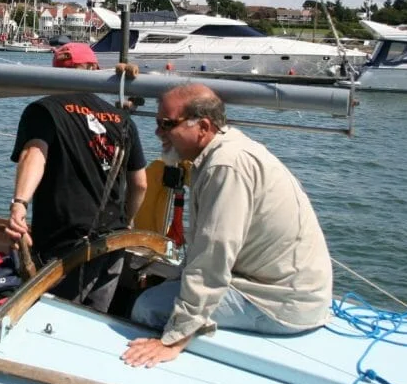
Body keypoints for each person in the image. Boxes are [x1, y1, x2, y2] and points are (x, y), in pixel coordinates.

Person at [123, 83, 332, 368]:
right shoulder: (224, 152)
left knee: (147, 308)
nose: (158, 132)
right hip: (287, 290)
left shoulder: (225, 167)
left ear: (204, 127)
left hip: (281, 304)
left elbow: (214, 254)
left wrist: (174, 338)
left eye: (166, 124)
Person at [5, 42, 148, 313]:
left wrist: (20, 203)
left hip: (65, 244)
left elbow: (35, 153)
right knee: (92, 319)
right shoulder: (122, 119)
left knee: (53, 318)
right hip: (112, 241)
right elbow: (140, 184)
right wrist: (126, 221)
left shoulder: (44, 110)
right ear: (94, 70)